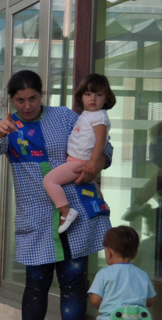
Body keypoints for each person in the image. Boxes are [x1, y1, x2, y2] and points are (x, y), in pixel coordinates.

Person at [0, 70, 113, 320]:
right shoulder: (8, 124)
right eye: (20, 100)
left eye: (33, 98)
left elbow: (105, 148)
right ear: (11, 100)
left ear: (42, 95)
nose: (27, 105)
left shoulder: (66, 117)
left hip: (77, 209)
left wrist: (96, 164)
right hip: (36, 214)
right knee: (36, 282)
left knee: (73, 282)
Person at [43, 73, 115, 233]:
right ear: (81, 96)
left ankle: (66, 212)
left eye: (98, 95)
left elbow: (101, 140)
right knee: (92, 185)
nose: (93, 99)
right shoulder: (89, 114)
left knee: (49, 181)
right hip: (77, 160)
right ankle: (103, 204)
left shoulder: (99, 116)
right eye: (88, 94)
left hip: (78, 162)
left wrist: (92, 162)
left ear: (107, 98)